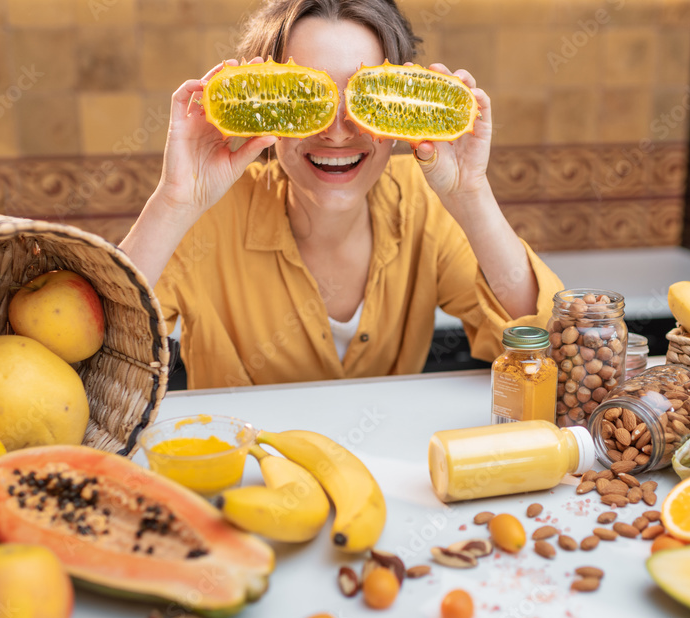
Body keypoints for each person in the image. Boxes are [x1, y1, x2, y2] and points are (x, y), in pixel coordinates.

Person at [120, 0, 563, 389]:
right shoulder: (207, 216)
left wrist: (471, 195)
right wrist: (174, 201)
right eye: (307, 98)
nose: (335, 133)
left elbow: (549, 350)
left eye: (363, 100)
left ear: (403, 116)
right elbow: (93, 353)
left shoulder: (424, 201)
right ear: (265, 107)